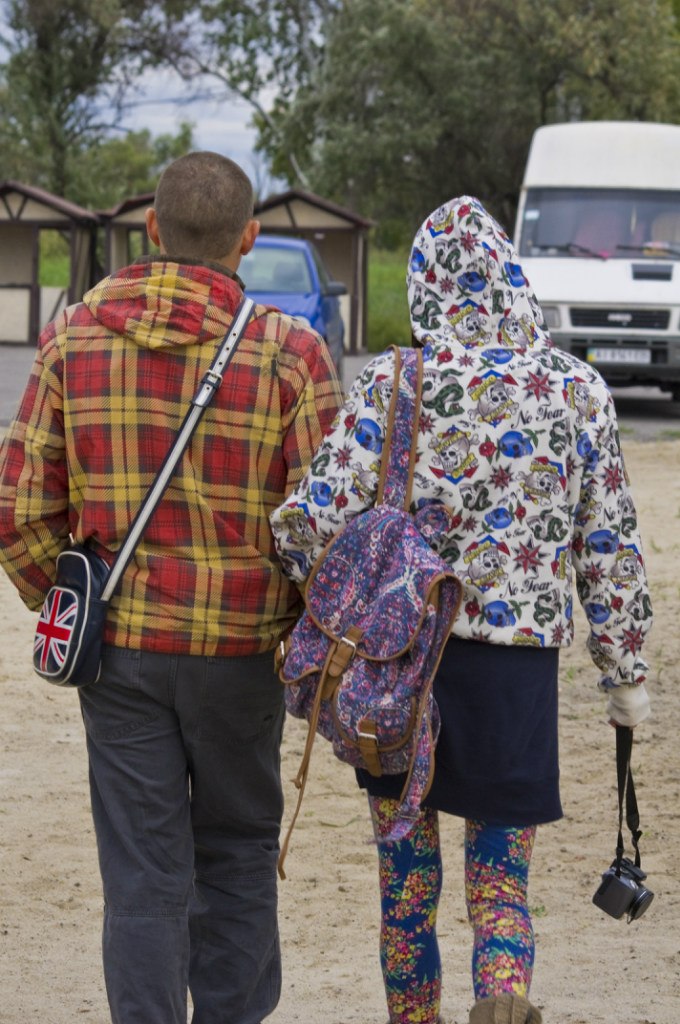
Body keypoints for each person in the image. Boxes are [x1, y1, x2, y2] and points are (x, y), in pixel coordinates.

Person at [270, 195, 653, 1024]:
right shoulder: (576, 390)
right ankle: (504, 998)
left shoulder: (396, 380)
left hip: (400, 665)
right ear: (512, 277)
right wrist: (624, 671)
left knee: (406, 886)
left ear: (423, 286)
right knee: (501, 880)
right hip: (517, 676)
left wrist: (329, 594)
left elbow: (306, 521)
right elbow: (609, 546)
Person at [0, 151, 344, 1024]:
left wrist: (73, 605)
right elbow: (331, 535)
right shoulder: (294, 354)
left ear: (151, 229)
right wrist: (293, 628)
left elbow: (19, 514)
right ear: (249, 239)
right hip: (243, 658)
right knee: (238, 851)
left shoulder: (70, 339)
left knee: (142, 875)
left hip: (120, 658)